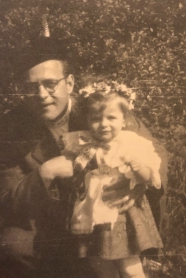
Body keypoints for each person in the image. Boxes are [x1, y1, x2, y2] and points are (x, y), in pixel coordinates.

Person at [0, 36, 167, 278]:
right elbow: (8, 200)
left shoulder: (98, 109)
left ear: (69, 83)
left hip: (107, 214)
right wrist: (45, 173)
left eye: (50, 83)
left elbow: (153, 149)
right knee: (11, 245)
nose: (41, 95)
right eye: (32, 87)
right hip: (50, 224)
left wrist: (139, 185)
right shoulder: (9, 128)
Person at [60, 79, 163, 278]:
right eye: (96, 119)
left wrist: (140, 167)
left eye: (111, 118)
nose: (104, 124)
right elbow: (70, 169)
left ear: (124, 120)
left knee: (130, 267)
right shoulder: (82, 142)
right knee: (99, 265)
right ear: (88, 120)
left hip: (121, 213)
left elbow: (150, 177)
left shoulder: (131, 143)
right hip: (89, 212)